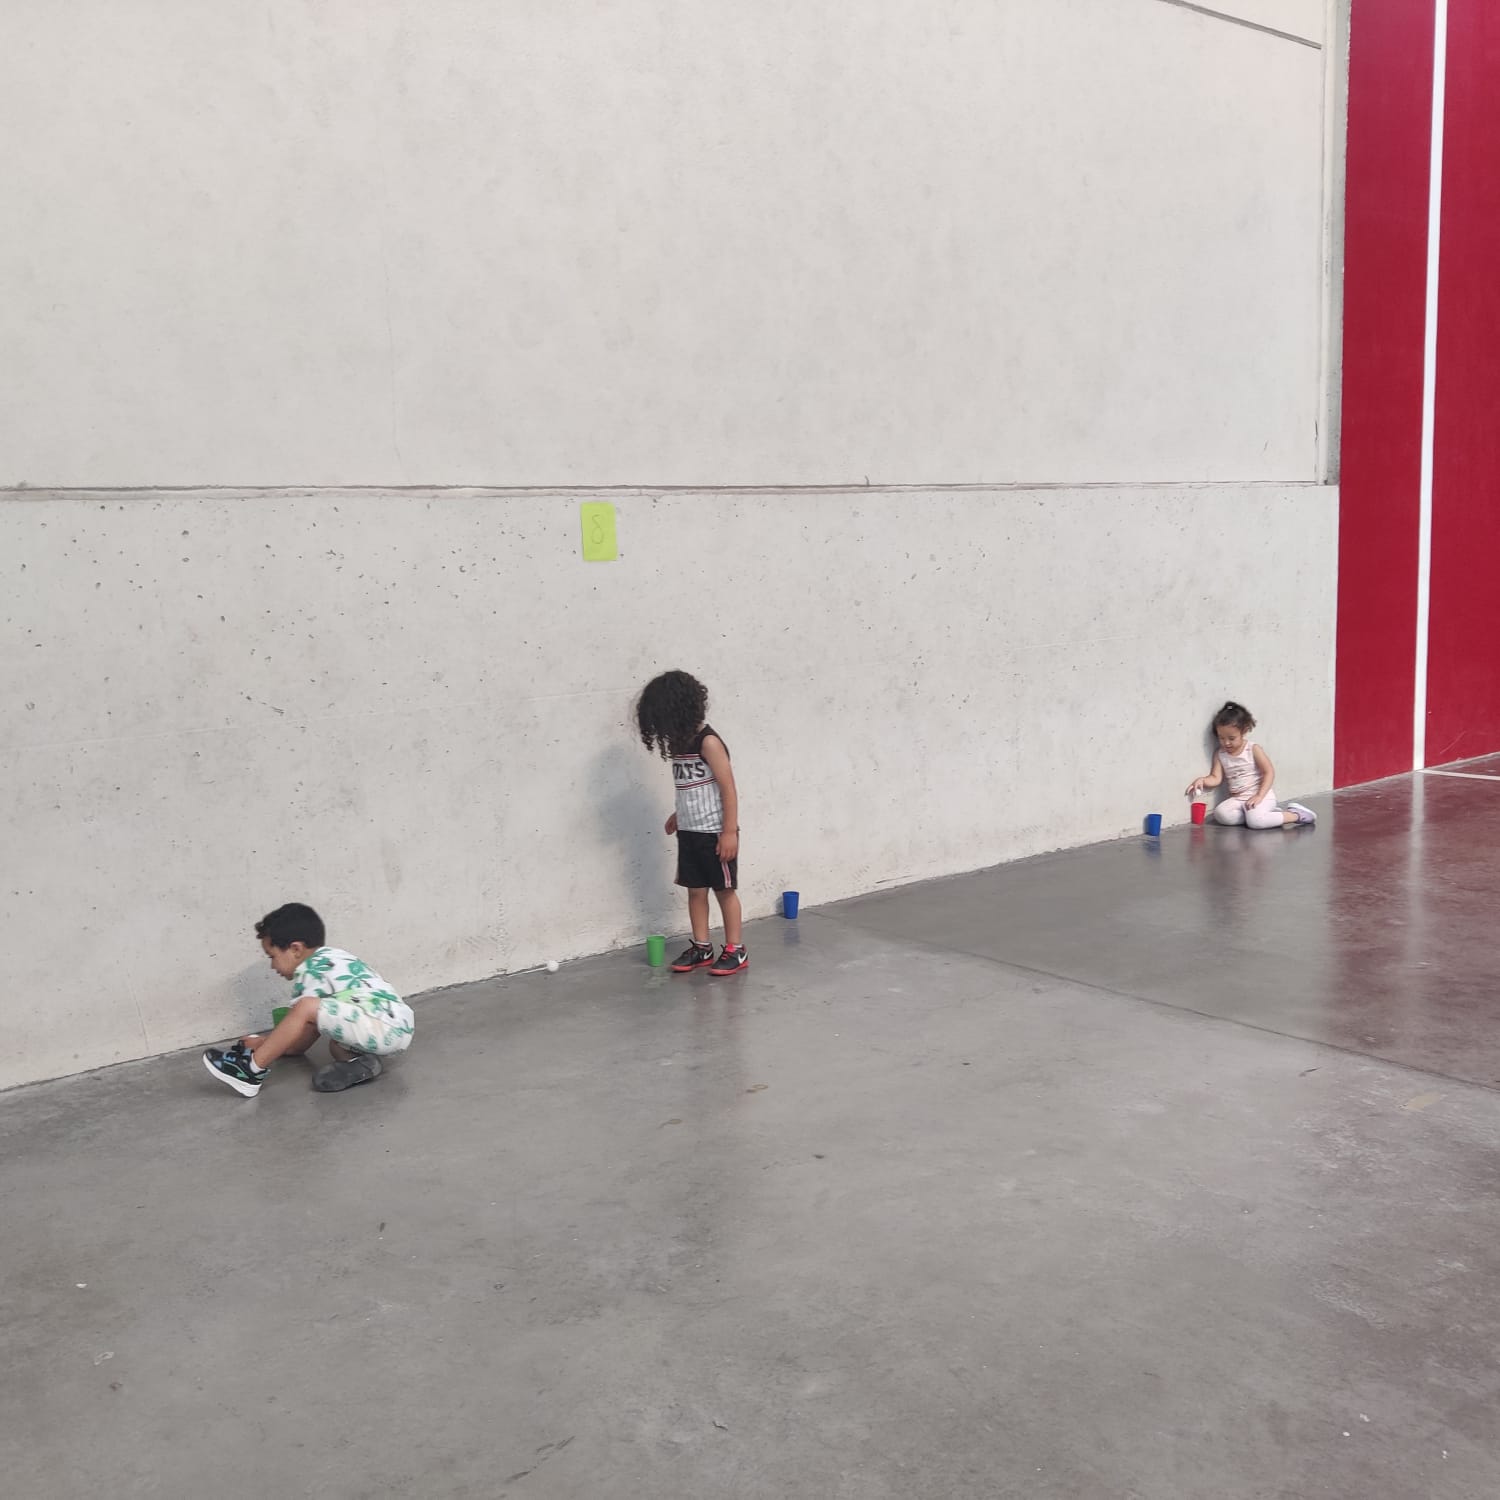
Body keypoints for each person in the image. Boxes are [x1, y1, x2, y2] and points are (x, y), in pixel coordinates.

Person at [203, 903, 414, 1096]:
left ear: (296, 949)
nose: (272, 966)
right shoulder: (335, 957)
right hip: (396, 1025)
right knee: (336, 1044)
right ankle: (362, 1063)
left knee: (304, 1008)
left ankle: (249, 1070)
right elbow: (304, 1037)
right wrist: (271, 1042)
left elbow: (298, 1040)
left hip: (381, 1025)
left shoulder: (311, 970)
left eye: (272, 956)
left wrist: (263, 1044)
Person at [635, 670, 747, 975]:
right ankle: (702, 947)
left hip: (714, 833)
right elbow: (692, 787)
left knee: (724, 891)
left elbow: (728, 789)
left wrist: (729, 832)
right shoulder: (680, 744)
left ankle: (736, 950)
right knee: (695, 891)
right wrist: (679, 814)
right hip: (689, 832)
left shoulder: (708, 742)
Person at [1187, 702, 1317, 830]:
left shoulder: (1252, 749)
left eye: (1231, 738)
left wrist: (1259, 796)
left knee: (1255, 822)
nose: (1226, 743)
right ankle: (1264, 816)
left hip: (1261, 796)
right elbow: (1216, 778)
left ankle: (1295, 815)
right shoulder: (1220, 754)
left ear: (1243, 731)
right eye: (1221, 738)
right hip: (1239, 799)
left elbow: (1269, 772)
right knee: (1221, 814)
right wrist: (1203, 780)